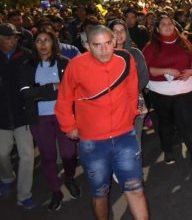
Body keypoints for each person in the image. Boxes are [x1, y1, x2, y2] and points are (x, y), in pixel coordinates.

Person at [55, 26, 149, 220]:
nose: (104, 50)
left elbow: (132, 89)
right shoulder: (76, 65)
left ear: (114, 41)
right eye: (97, 45)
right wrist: (68, 126)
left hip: (124, 136)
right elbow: (64, 99)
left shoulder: (125, 58)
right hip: (93, 142)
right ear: (88, 46)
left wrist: (131, 113)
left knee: (136, 189)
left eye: (108, 43)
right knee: (100, 193)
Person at [18, 28, 80, 211]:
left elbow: (74, 89)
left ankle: (69, 178)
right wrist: (54, 87)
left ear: (54, 42)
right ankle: (56, 191)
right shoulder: (28, 65)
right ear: (34, 44)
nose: (43, 44)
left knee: (69, 154)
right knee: (48, 156)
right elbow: (25, 94)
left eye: (47, 40)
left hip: (64, 116)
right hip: (40, 118)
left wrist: (39, 91)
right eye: (39, 40)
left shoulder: (64, 62)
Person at [142, 16, 192, 171]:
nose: (167, 26)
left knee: (187, 124)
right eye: (163, 24)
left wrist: (191, 70)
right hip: (161, 92)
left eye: (170, 23)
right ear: (157, 29)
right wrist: (166, 70)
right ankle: (168, 150)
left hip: (184, 90)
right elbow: (146, 69)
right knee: (166, 123)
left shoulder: (183, 42)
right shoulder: (151, 46)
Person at [0, 23, 36, 209]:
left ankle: (24, 194)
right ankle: (7, 177)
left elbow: (35, 82)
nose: (13, 41)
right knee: (2, 153)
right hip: (2, 118)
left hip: (23, 117)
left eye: (14, 37)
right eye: (8, 38)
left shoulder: (27, 55)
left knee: (28, 156)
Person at [108, 19, 150, 148]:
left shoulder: (135, 53)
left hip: (134, 103)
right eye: (115, 31)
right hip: (111, 106)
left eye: (122, 31)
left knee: (135, 142)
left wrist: (131, 92)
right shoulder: (104, 55)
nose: (119, 34)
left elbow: (144, 76)